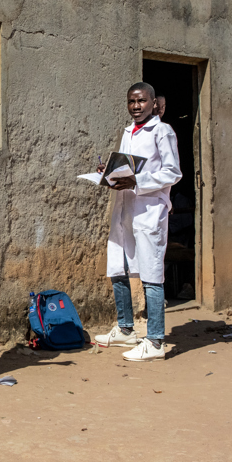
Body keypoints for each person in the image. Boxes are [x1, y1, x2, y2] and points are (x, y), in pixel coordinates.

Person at [94, 82, 182, 361]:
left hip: (148, 210)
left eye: (141, 101)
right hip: (126, 207)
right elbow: (127, 166)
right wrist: (110, 174)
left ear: (153, 103)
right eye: (131, 101)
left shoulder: (162, 131)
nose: (136, 106)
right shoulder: (128, 132)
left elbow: (172, 172)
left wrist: (138, 181)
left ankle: (155, 341)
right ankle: (125, 329)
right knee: (118, 266)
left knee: (152, 275)